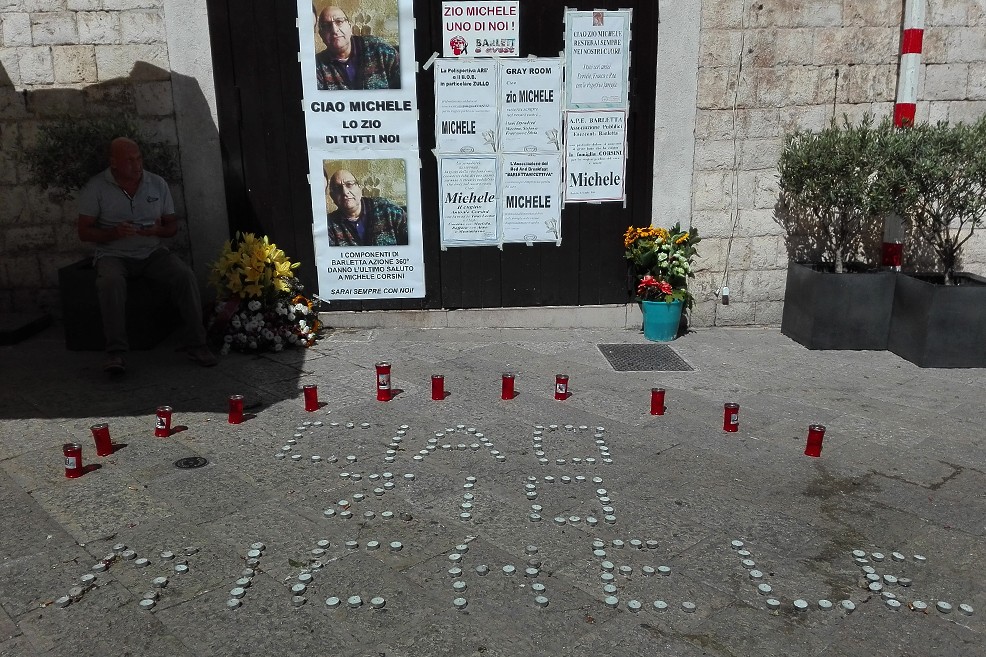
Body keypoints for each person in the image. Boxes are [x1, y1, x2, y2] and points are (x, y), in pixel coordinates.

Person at [77, 137, 217, 374]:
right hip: (113, 253)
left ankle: (197, 344)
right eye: (129, 160)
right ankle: (116, 352)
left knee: (184, 275)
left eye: (139, 158)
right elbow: (84, 232)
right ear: (114, 163)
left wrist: (157, 231)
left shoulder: (157, 184)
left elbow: (172, 227)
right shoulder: (96, 187)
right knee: (110, 282)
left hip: (152, 251)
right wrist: (114, 232)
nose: (136, 165)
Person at [316, 5, 400, 90]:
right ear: (321, 34)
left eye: (339, 22)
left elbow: (408, 89)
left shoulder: (380, 50)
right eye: (326, 25)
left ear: (350, 26)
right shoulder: (317, 65)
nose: (334, 30)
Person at [326, 169, 408, 246]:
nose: (345, 192)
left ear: (360, 188)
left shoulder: (387, 210)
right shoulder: (329, 225)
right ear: (332, 196)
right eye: (337, 188)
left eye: (349, 184)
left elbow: (415, 244)